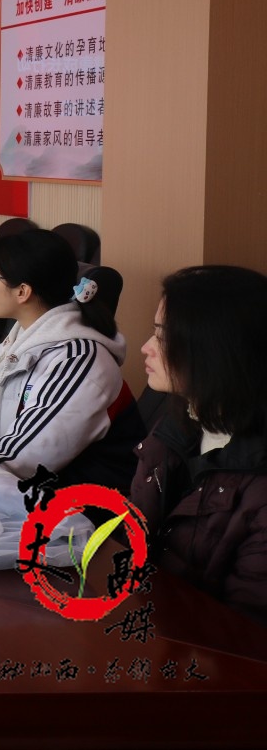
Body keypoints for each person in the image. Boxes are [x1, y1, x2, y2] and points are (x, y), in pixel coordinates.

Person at [0, 229, 140, 488]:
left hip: (79, 505)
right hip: (17, 488)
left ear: (22, 291)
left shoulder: (79, 361)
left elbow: (24, 460)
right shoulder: (20, 339)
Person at [131, 265, 267, 620]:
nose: (146, 348)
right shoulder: (178, 421)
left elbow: (245, 633)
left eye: (163, 337)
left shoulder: (259, 486)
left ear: (214, 350)